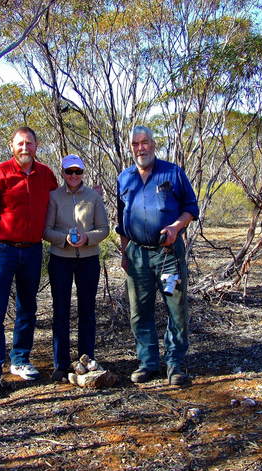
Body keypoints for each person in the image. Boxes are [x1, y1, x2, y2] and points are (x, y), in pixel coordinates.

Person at [0, 126, 58, 398]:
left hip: (32, 250)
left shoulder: (46, 175)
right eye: (20, 143)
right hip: (2, 251)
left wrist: (88, 195)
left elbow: (61, 203)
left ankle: (20, 359)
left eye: (29, 143)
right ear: (12, 146)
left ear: (37, 145)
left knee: (28, 308)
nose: (25, 148)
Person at [116, 126, 199, 386]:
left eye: (145, 143)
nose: (141, 148)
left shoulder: (173, 172)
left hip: (168, 254)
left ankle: (175, 364)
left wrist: (176, 227)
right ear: (131, 148)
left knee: (176, 308)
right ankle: (148, 363)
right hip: (137, 254)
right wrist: (124, 251)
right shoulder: (124, 177)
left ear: (153, 144)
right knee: (139, 312)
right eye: (135, 144)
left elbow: (190, 208)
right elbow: (122, 218)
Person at [43, 154, 109, 382]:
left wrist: (86, 238)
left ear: (83, 173)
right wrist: (64, 239)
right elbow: (46, 230)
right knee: (60, 311)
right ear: (62, 173)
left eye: (77, 172)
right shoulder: (53, 197)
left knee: (87, 311)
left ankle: (87, 358)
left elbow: (103, 229)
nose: (73, 176)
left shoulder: (93, 197)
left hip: (88, 260)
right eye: (69, 172)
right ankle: (60, 364)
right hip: (60, 259)